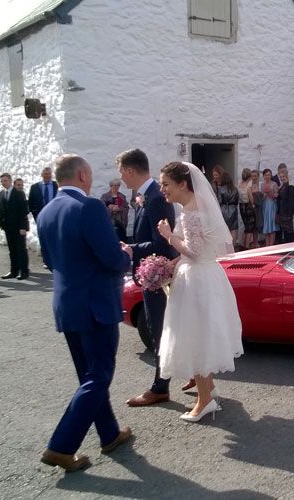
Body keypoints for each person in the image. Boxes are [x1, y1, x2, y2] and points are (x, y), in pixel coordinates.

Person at [37, 154, 133, 472]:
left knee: (89, 375)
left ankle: (109, 434)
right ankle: (61, 446)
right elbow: (109, 257)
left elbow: (50, 261)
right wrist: (125, 255)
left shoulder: (47, 210)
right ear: (81, 175)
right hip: (96, 305)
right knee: (99, 375)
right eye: (90, 175)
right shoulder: (89, 206)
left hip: (67, 304)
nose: (91, 180)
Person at [156, 162, 243, 422]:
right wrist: (169, 265)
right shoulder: (193, 206)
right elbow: (203, 250)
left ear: (182, 183)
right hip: (206, 275)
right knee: (203, 333)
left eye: (166, 184)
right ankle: (209, 388)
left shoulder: (191, 211)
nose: (163, 190)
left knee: (196, 336)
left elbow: (193, 251)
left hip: (197, 279)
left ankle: (205, 401)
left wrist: (168, 236)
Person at [117, 148, 177, 407]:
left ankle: (160, 387)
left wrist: (132, 249)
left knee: (159, 330)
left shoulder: (154, 198)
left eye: (122, 173)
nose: (121, 179)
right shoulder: (148, 195)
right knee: (162, 328)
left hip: (155, 273)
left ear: (131, 170)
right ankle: (195, 376)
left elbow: (161, 244)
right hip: (150, 270)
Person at [0, 173, 30, 280]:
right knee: (12, 250)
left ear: (11, 181)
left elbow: (23, 212)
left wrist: (23, 227)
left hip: (19, 227)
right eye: (2, 181)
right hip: (8, 227)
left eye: (5, 181)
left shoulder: (19, 193)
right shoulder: (2, 193)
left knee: (21, 249)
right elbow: (1, 210)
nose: (3, 183)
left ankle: (24, 272)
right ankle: (13, 271)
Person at [212, 165, 239, 244]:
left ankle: (225, 246)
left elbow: (219, 201)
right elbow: (237, 200)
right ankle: (232, 245)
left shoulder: (220, 189)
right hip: (233, 209)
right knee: (233, 229)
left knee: (224, 228)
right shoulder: (234, 188)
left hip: (223, 209)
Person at [277, 169, 294, 243]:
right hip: (282, 211)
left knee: (289, 230)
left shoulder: (290, 186)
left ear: (287, 176)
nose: (282, 178)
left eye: (283, 176)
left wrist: (289, 213)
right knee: (284, 229)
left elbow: (291, 200)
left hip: (287, 212)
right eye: (281, 177)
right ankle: (286, 244)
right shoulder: (283, 186)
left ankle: (290, 245)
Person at [238, 168, 255, 250]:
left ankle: (242, 243)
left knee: (246, 226)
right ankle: (247, 245)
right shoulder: (249, 184)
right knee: (250, 227)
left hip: (241, 206)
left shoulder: (239, 183)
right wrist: (253, 204)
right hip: (248, 206)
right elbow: (250, 196)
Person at [261, 168, 279, 246]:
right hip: (265, 205)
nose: (267, 176)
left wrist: (271, 194)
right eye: (265, 175)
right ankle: (267, 244)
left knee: (271, 223)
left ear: (271, 175)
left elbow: (277, 195)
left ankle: (271, 244)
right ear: (263, 176)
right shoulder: (262, 184)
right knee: (266, 223)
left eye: (268, 175)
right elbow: (261, 197)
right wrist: (264, 194)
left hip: (272, 205)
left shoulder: (274, 184)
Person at [247, 170, 263, 248]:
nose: (254, 177)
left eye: (255, 176)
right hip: (252, 207)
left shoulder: (260, 185)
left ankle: (256, 241)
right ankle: (252, 242)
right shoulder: (249, 186)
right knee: (252, 225)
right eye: (253, 176)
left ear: (258, 176)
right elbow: (251, 199)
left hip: (260, 207)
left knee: (257, 225)